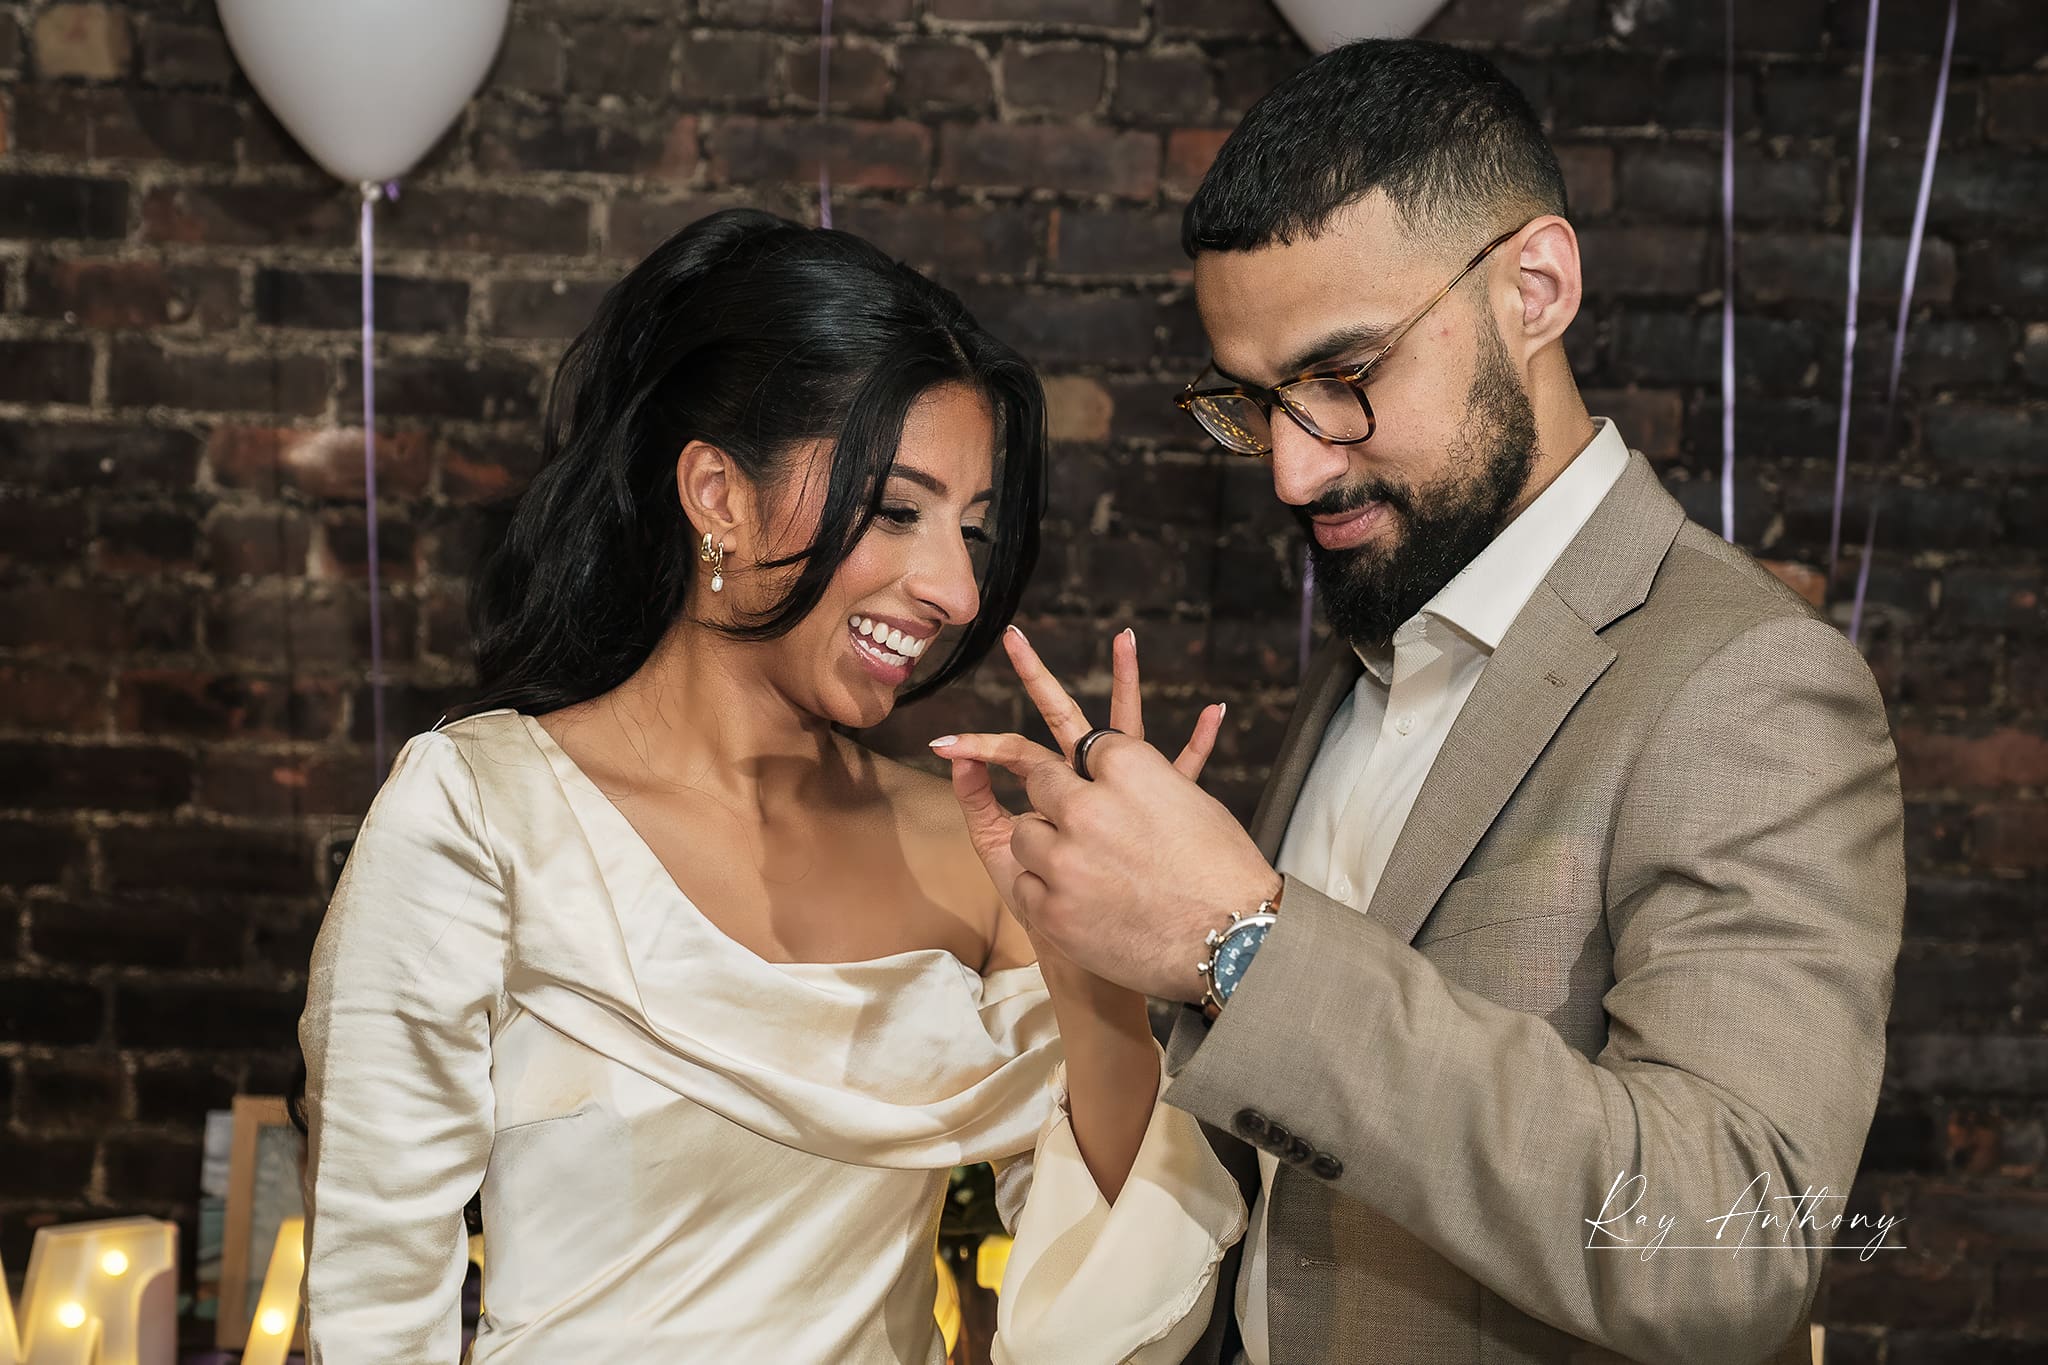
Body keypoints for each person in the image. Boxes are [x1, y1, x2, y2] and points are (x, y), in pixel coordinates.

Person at [934, 40, 1905, 1365]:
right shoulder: (1372, 650)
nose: (1290, 467)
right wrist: (1116, 944)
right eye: (1256, 401)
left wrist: (1240, 940)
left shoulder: (1745, 681)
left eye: (1346, 376)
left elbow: (1724, 1239)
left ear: (1537, 286)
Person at [296, 208, 1244, 1364]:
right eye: (897, 510)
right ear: (716, 496)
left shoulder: (973, 852)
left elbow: (1119, 1311)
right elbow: (373, 1296)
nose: (950, 586)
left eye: (974, 531)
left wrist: (1096, 974)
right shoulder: (478, 818)